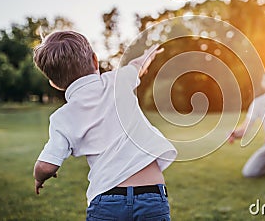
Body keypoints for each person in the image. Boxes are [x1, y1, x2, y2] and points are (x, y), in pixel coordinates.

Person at [32, 31, 177, 220]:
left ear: (54, 84)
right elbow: (137, 66)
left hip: (106, 202)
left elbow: (46, 166)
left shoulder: (62, 117)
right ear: (95, 60)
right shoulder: (117, 81)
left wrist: (39, 178)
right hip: (151, 196)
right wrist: (146, 55)